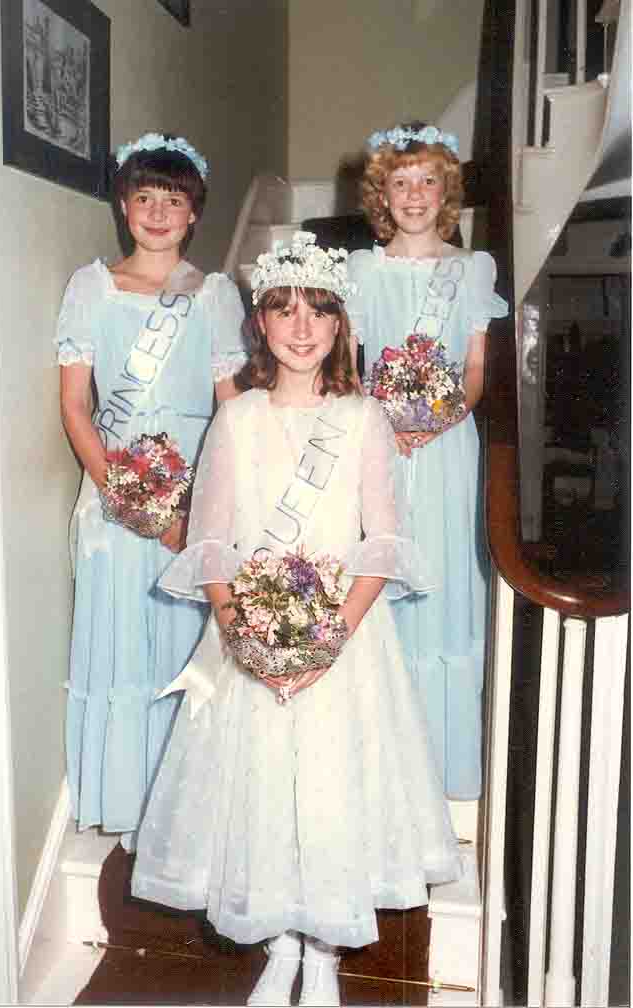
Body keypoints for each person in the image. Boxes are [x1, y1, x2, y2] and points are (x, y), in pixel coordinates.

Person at [131, 232, 461, 1008]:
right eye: (284, 312)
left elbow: (381, 544)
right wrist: (244, 631)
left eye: (318, 311)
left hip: (345, 640)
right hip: (251, 631)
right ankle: (281, 937)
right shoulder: (238, 418)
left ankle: (324, 948)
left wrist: (327, 638)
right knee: (265, 789)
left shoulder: (364, 419)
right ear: (261, 327)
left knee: (328, 788)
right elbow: (210, 540)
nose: (302, 328)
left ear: (340, 325)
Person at [55, 132, 247, 851]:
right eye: (145, 198)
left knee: (181, 644)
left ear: (194, 212)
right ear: (124, 206)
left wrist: (202, 504)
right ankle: (126, 802)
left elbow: (231, 406)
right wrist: (125, 495)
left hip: (194, 487)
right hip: (113, 490)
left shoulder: (214, 294)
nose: (159, 212)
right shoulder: (92, 288)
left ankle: (186, 807)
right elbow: (76, 407)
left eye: (174, 199)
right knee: (121, 639)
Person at [346, 122, 508, 800]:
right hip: (376, 443)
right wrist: (383, 424)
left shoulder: (473, 269)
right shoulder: (361, 270)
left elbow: (473, 369)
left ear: (447, 192)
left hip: (446, 447)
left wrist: (437, 418)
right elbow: (347, 366)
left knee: (440, 585)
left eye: (428, 181)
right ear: (382, 193)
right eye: (400, 182)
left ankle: (442, 769)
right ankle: (378, 773)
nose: (414, 195)